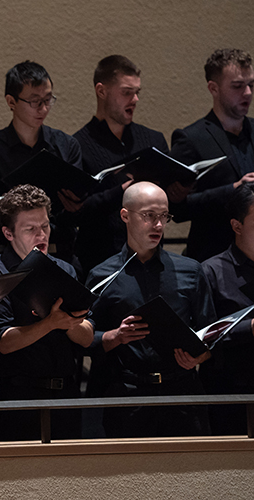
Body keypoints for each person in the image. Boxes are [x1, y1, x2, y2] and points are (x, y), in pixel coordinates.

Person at [86, 182, 215, 438]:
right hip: (127, 394)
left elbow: (211, 333)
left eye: (164, 216)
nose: (158, 225)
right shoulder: (102, 275)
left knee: (191, 473)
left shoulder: (190, 270)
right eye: (149, 216)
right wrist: (115, 336)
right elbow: (83, 339)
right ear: (125, 216)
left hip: (182, 393)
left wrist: (200, 356)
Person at [0, 184, 93, 441]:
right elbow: (4, 343)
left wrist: (70, 324)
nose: (41, 234)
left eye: (45, 226)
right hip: (19, 398)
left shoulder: (65, 269)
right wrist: (51, 323)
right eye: (30, 229)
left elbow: (87, 338)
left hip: (66, 394)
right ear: (8, 233)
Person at [0, 61, 83, 267]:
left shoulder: (66, 145)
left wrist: (76, 207)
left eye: (48, 99)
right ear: (11, 101)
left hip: (62, 255)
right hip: (13, 259)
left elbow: (77, 212)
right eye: (35, 101)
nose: (43, 108)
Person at [73, 55, 170, 273]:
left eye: (137, 92)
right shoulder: (77, 145)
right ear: (101, 91)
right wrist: (122, 191)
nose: (135, 99)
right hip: (98, 263)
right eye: (127, 92)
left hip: (153, 263)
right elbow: (75, 214)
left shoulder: (153, 141)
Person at [170, 48, 254, 262]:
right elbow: (176, 210)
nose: (247, 93)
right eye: (237, 86)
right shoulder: (191, 138)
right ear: (213, 88)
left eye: (251, 85)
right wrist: (233, 190)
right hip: (214, 259)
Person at [200, 183, 254, 435]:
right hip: (231, 390)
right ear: (236, 226)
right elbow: (202, 337)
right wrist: (250, 328)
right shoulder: (211, 271)